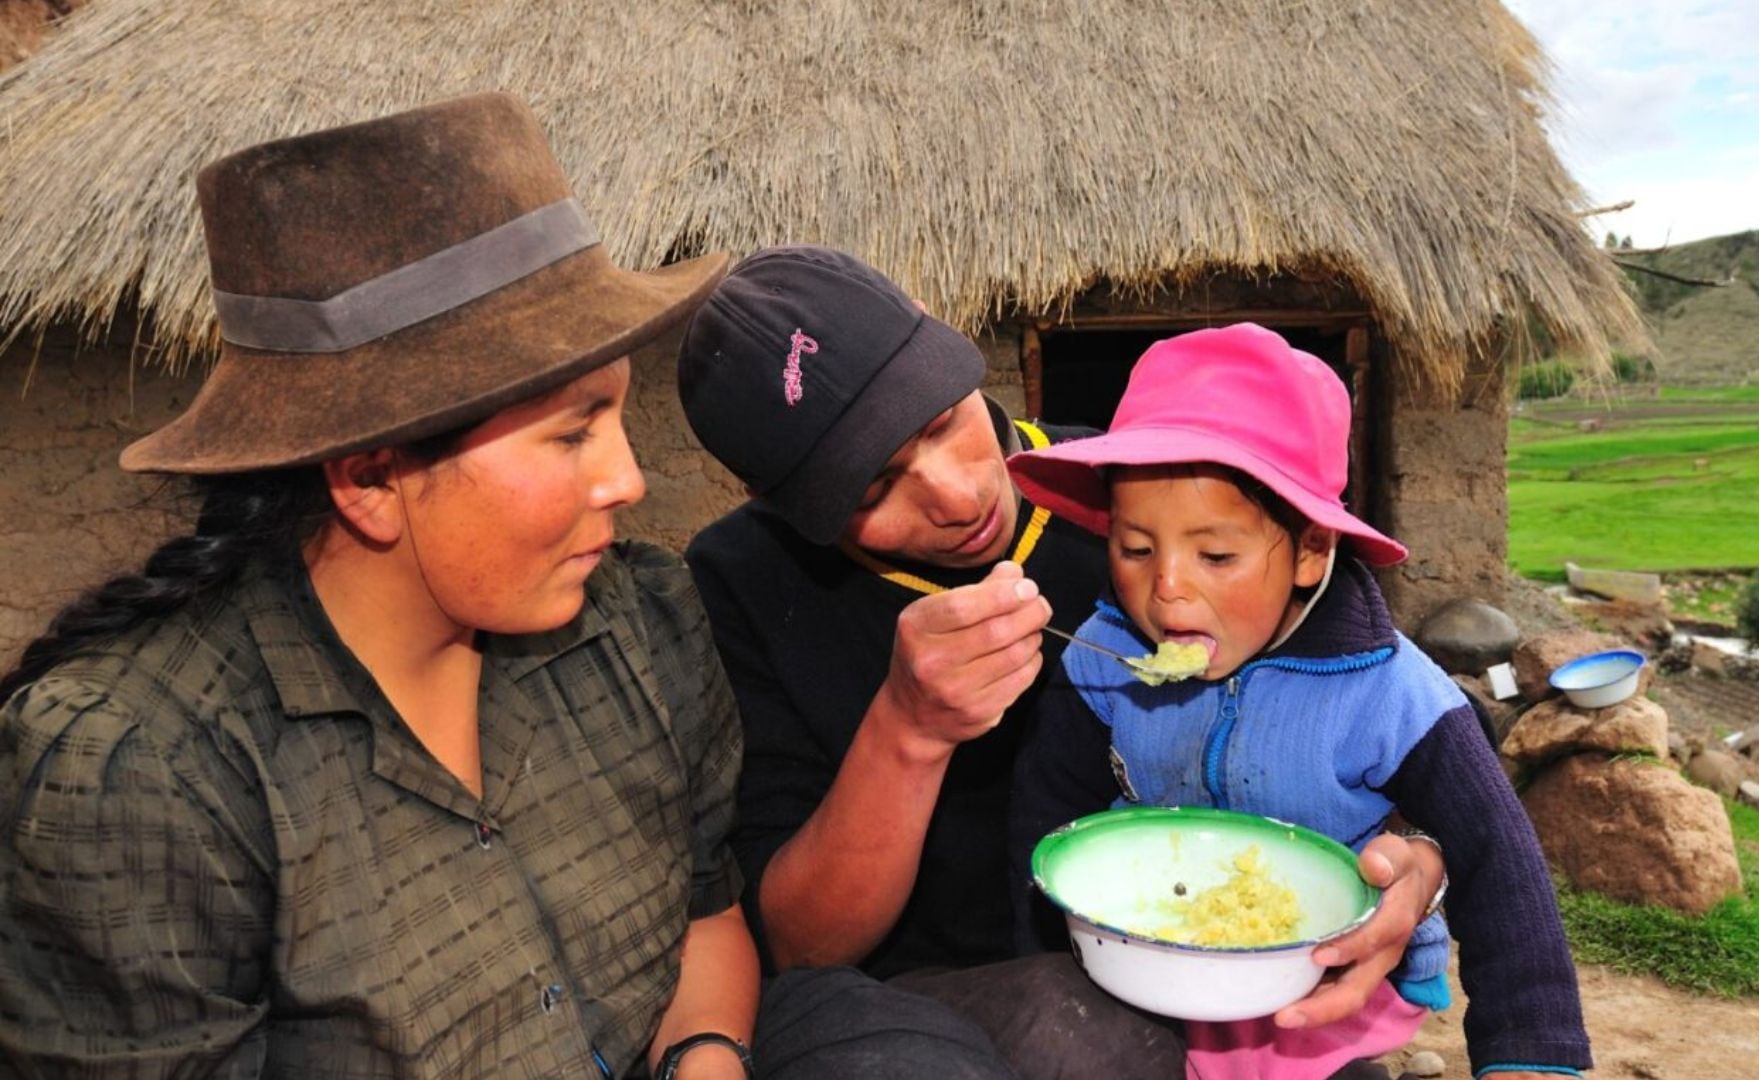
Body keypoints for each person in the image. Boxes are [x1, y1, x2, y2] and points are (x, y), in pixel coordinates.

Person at [0, 94, 1011, 1080]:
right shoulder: (148, 776)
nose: (627, 479)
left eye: (615, 417)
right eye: (571, 433)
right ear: (372, 479)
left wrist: (708, 1052)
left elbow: (706, 910)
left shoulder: (639, 623)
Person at [676, 246, 1450, 1076]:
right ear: (785, 510)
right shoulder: (744, 583)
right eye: (872, 491)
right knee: (1090, 1035)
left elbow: (1367, 706)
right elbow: (802, 946)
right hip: (926, 999)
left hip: (1209, 962)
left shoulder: (1145, 495)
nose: (958, 497)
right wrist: (908, 731)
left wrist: (1415, 861)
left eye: (943, 421)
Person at [1004, 323, 1593, 1079]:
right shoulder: (1101, 658)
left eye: (1216, 554)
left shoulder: (1391, 693)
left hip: (1318, 990)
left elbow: (1496, 854)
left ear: (1312, 551)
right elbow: (1046, 813)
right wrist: (1045, 961)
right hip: (1138, 978)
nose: (1167, 586)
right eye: (1135, 548)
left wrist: (1529, 1051)